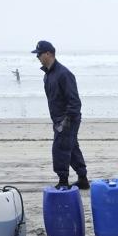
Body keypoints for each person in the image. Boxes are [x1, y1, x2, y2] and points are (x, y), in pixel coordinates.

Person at [32, 40, 90, 190]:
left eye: (39, 54)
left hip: (68, 119)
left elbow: (75, 101)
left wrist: (66, 121)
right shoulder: (47, 75)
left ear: (48, 54)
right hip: (58, 118)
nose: (37, 57)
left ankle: (63, 180)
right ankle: (82, 178)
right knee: (71, 147)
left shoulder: (64, 74)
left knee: (60, 148)